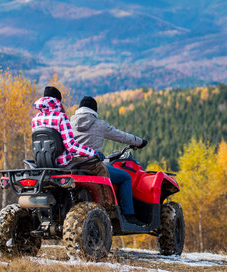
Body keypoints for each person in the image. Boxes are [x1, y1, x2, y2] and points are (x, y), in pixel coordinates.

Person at [71, 96, 147, 226]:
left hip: (74, 166)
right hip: (92, 166)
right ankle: (128, 215)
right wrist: (139, 142)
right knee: (125, 177)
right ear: (94, 110)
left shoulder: (69, 123)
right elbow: (121, 136)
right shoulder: (99, 124)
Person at [32, 86, 107, 177]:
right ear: (57, 102)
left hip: (43, 163)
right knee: (99, 167)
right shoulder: (61, 117)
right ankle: (104, 191)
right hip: (64, 163)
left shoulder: (35, 119)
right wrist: (93, 153)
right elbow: (71, 145)